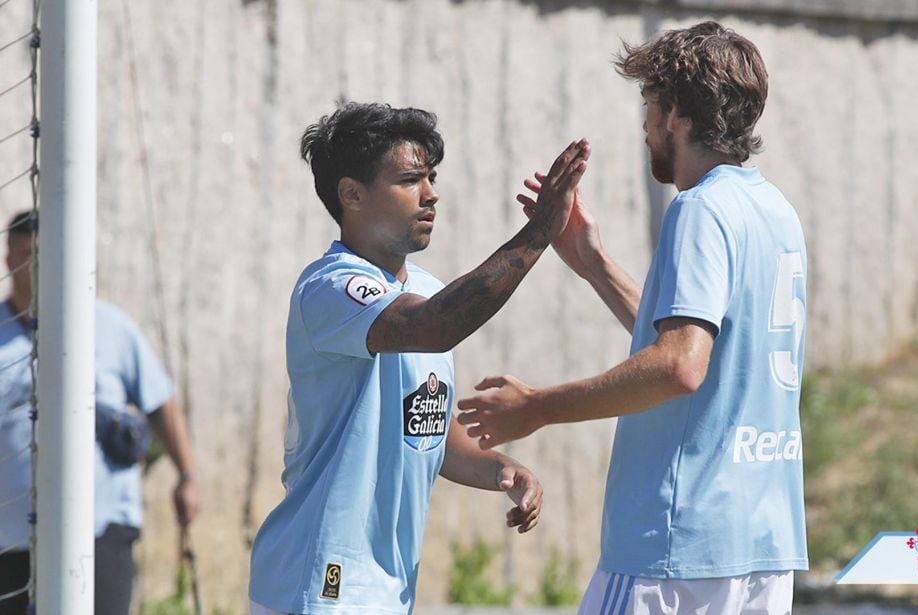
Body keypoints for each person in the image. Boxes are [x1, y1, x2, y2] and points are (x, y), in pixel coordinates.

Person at [457, 22, 809, 614]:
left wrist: (536, 408)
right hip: (763, 547)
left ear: (676, 114)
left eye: (648, 107)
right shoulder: (773, 209)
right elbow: (702, 348)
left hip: (677, 547)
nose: (645, 127)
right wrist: (594, 264)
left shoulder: (698, 209)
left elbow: (679, 366)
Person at [247, 102, 589, 614]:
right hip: (320, 584)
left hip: (389, 590)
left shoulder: (426, 294)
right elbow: (434, 328)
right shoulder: (331, 288)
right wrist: (538, 233)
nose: (431, 194)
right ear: (352, 193)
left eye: (431, 176)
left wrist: (500, 470)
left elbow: (427, 432)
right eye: (410, 180)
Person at [0, 210, 199, 615]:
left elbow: (161, 403)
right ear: (9, 259)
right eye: (30, 254)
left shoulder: (110, 327)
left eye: (50, 254)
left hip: (101, 528)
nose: (41, 266)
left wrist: (188, 476)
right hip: (11, 538)